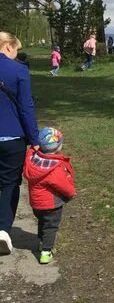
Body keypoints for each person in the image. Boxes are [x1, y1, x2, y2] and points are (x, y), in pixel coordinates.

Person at [0, 32, 39, 255]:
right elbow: (26, 108)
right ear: (8, 46)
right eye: (15, 48)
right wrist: (33, 139)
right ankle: (3, 230)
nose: (16, 53)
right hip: (11, 136)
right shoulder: (19, 71)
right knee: (9, 184)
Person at [22, 127, 76, 264]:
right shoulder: (54, 167)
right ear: (58, 146)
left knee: (42, 221)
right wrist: (71, 193)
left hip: (36, 203)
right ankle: (46, 251)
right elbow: (62, 185)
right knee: (51, 226)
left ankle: (41, 241)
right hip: (51, 203)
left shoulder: (33, 159)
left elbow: (30, 152)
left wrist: (34, 148)